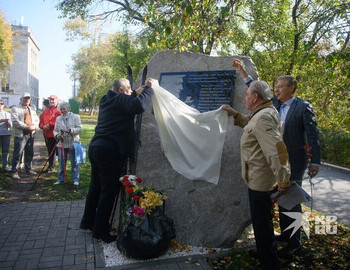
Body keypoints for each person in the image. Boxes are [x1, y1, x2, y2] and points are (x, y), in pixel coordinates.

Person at [232, 58, 321, 258]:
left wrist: (315, 161)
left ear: (292, 88)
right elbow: (256, 91)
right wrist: (244, 72)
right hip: (276, 160)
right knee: (280, 202)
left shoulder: (302, 106)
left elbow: (312, 134)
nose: (277, 90)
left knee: (291, 202)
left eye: (281, 87)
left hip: (293, 161)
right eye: (276, 87)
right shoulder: (274, 105)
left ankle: (294, 241)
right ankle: (284, 235)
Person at [222, 80, 291, 270]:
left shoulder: (264, 117)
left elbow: (277, 150)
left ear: (255, 97)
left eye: (246, 95)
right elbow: (252, 126)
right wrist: (235, 114)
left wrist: (283, 178)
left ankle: (269, 263)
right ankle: (264, 252)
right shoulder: (263, 113)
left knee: (262, 224)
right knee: (262, 221)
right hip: (257, 178)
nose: (244, 98)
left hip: (261, 181)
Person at [79, 77, 155, 243]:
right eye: (129, 89)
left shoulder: (107, 98)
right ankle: (101, 231)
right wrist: (149, 88)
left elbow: (127, 99)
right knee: (109, 191)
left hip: (97, 148)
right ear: (121, 90)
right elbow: (138, 106)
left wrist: (135, 92)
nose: (131, 92)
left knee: (96, 188)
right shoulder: (121, 98)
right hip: (109, 152)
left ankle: (88, 222)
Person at [11, 92, 39, 179]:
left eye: (28, 98)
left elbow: (37, 120)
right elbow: (15, 122)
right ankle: (14, 171)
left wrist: (34, 127)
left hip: (31, 135)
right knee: (18, 153)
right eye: (25, 98)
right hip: (20, 135)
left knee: (29, 153)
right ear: (21, 99)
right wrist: (27, 127)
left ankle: (28, 169)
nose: (27, 100)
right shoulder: (15, 109)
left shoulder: (32, 110)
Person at [53, 102, 82, 186]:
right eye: (61, 109)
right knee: (62, 163)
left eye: (64, 109)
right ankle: (60, 179)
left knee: (74, 162)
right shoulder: (58, 118)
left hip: (73, 143)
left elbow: (80, 129)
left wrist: (70, 130)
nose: (62, 110)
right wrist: (57, 135)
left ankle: (75, 179)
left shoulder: (76, 117)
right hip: (62, 143)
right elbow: (55, 130)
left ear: (69, 108)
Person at [39, 95, 62, 172]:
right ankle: (51, 167)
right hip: (47, 134)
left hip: (57, 134)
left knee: (60, 152)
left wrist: (50, 124)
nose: (51, 101)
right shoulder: (45, 110)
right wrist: (42, 126)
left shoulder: (60, 110)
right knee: (50, 151)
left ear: (57, 100)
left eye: (53, 100)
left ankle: (62, 169)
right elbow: (41, 120)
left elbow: (61, 122)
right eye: (50, 100)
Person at [0, 100, 12, 172]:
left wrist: (8, 123)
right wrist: (1, 120)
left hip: (6, 134)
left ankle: (5, 166)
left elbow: (11, 125)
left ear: (3, 105)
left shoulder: (7, 114)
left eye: (1, 104)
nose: (0, 105)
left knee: (5, 151)